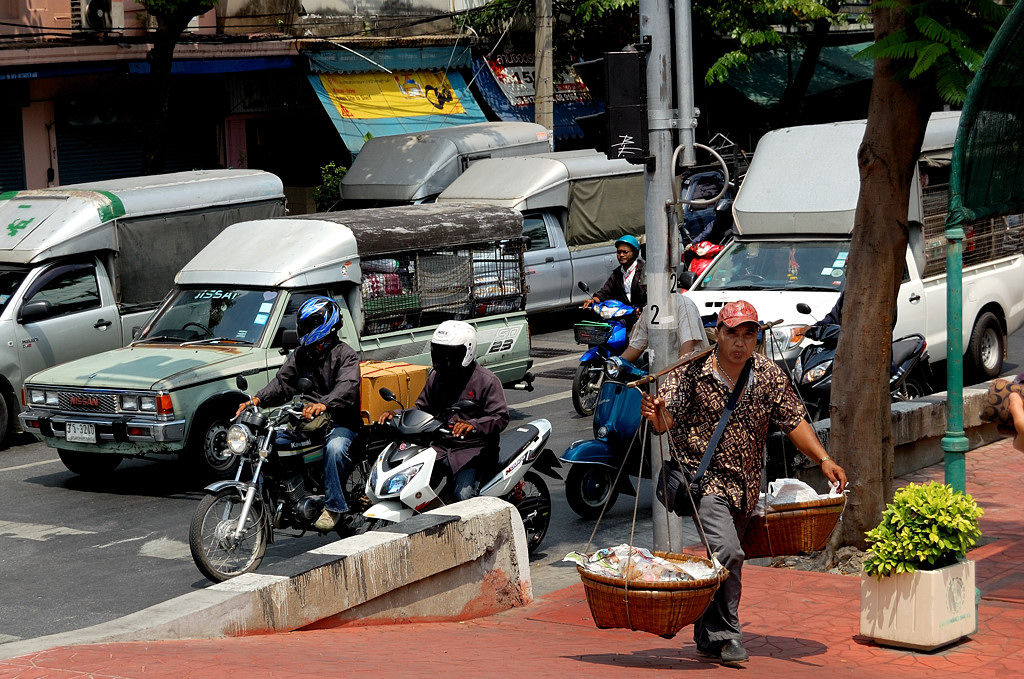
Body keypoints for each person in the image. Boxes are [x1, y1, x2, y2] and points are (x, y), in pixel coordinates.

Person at [640, 300, 848, 664]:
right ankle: (727, 635)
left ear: (757, 338)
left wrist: (824, 459)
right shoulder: (692, 373)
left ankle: (706, 634)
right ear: (717, 334)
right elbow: (665, 418)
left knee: (722, 559)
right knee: (730, 553)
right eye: (732, 333)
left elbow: (794, 420)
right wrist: (656, 414)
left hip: (746, 485)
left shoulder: (766, 374)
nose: (739, 342)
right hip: (704, 484)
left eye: (748, 334)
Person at [236, 296, 362, 533]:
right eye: (302, 325)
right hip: (307, 421)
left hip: (340, 420)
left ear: (324, 324)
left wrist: (324, 404)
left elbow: (347, 386)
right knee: (269, 444)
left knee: (335, 450)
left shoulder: (345, 354)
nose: (303, 330)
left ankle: (334, 507)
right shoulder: (302, 353)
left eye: (308, 325)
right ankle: (284, 500)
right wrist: (257, 399)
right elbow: (283, 383)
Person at [378, 320, 510, 501]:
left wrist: (472, 426)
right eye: (439, 353)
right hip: (440, 447)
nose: (444, 359)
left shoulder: (487, 381)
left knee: (463, 496)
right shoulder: (436, 377)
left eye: (449, 354)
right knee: (407, 488)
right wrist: (397, 414)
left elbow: (500, 417)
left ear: (467, 351)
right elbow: (422, 407)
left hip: (473, 452)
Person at [620, 291, 709, 364]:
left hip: (691, 370)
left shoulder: (684, 304)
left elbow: (689, 343)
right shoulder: (649, 310)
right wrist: (616, 363)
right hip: (660, 370)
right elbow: (636, 346)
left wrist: (677, 372)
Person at [583, 235, 647, 312]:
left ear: (635, 253)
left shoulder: (644, 270)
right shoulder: (617, 274)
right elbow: (605, 292)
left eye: (625, 252)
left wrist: (644, 308)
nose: (621, 255)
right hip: (625, 316)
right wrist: (593, 300)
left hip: (644, 314)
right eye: (619, 252)